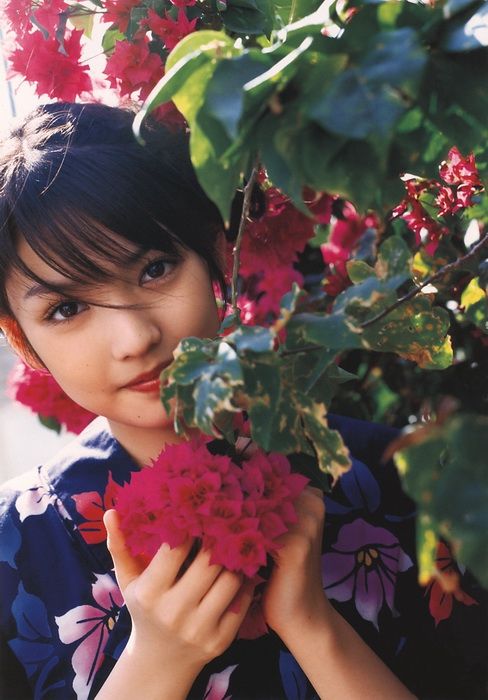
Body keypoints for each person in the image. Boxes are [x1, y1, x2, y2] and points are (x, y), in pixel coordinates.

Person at [0, 102, 485, 700]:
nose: (134, 339)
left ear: (213, 249)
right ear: (22, 339)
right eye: (67, 309)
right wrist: (154, 664)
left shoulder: (412, 487)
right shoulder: (13, 553)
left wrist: (316, 630)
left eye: (154, 269)